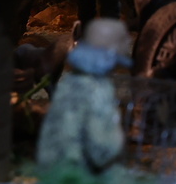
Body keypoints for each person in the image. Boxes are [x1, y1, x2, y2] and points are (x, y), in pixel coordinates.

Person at [36, 18, 129, 173]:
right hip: (77, 171)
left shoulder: (70, 82)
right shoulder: (96, 89)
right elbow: (101, 150)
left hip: (55, 167)